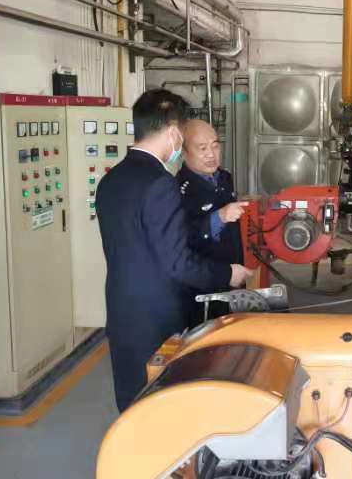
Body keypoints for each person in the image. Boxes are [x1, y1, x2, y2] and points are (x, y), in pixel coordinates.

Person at [96, 89, 250, 412]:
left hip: (123, 313)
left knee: (132, 402)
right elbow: (178, 262)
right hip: (157, 319)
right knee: (161, 404)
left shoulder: (111, 180)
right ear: (173, 133)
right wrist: (227, 274)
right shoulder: (161, 184)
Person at [177, 119, 248, 324]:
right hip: (203, 289)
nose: (211, 154)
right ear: (184, 153)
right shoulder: (178, 190)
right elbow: (183, 240)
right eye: (202, 148)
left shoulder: (224, 178)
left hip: (233, 279)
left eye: (215, 146)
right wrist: (219, 217)